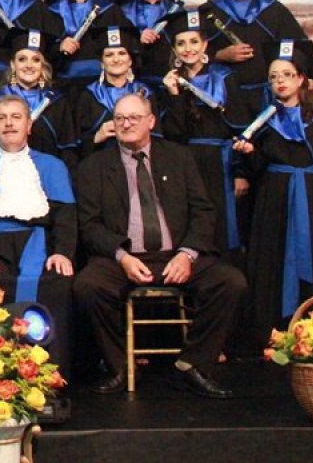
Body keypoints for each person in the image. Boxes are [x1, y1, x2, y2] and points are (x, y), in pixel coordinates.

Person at [73, 93, 245, 398]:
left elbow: (204, 210)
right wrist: (122, 256)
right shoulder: (93, 167)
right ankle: (121, 366)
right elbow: (90, 226)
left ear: (151, 121)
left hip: (175, 253)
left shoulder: (179, 157)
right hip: (123, 256)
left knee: (231, 282)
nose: (126, 124)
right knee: (87, 286)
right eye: (119, 118)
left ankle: (193, 364)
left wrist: (187, 254)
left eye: (134, 118)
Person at [231, 40, 313, 350]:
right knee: (272, 263)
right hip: (273, 202)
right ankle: (274, 333)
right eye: (274, 77)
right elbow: (259, 167)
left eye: (287, 75)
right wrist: (249, 153)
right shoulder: (265, 119)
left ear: (301, 78)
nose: (280, 82)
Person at [0, 95, 77, 370]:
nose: (9, 124)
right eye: (2, 118)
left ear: (29, 125)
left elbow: (66, 217)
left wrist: (62, 252)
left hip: (42, 246)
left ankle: (50, 372)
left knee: (58, 282)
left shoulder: (53, 166)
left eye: (16, 117)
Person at [158, 9, 250, 259]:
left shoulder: (224, 78)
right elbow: (174, 133)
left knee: (223, 226)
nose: (188, 49)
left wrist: (240, 172)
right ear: (174, 49)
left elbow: (240, 129)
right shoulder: (170, 83)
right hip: (186, 162)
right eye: (181, 43)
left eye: (194, 42)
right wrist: (174, 96)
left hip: (222, 163)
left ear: (205, 44)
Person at [202, 0, 308, 112]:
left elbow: (298, 52)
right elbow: (188, 56)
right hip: (223, 99)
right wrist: (220, 55)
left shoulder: (274, 11)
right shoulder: (207, 12)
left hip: (269, 99)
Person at [0, 29, 78, 169]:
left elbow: (68, 154)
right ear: (13, 64)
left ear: (42, 65)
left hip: (48, 175)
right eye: (22, 59)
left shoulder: (57, 103)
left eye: (36, 60)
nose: (29, 65)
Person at [72, 26, 152, 158]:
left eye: (122, 53)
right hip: (100, 163)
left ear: (130, 61)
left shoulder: (145, 94)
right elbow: (77, 145)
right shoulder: (89, 96)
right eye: (109, 55)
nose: (116, 59)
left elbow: (157, 140)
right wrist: (97, 137)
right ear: (102, 63)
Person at [120, 0, 182, 90]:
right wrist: (136, 41)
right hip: (134, 85)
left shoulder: (177, 12)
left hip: (171, 83)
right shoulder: (122, 13)